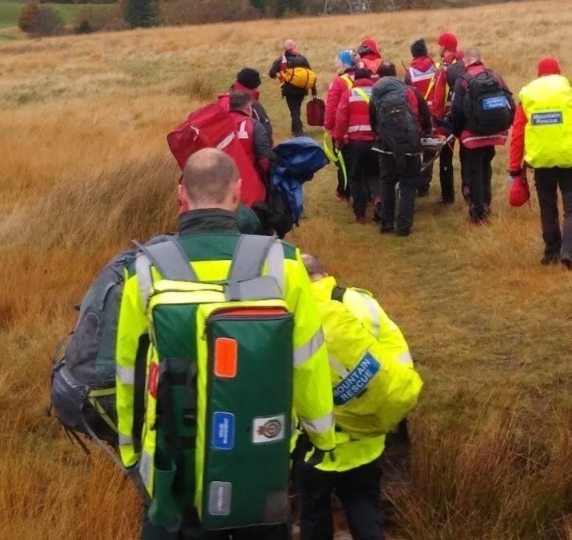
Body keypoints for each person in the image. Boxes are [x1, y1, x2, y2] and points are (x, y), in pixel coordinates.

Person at [108, 148, 336, 538]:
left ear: (181, 194)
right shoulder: (284, 264)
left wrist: (131, 451)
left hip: (172, 467)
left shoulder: (144, 271)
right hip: (259, 456)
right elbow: (307, 362)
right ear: (238, 193)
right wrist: (321, 437)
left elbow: (128, 373)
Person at [298, 253, 418, 540]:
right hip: (366, 437)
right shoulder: (359, 302)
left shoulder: (292, 314)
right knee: (364, 505)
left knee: (314, 513)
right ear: (325, 274)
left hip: (315, 444)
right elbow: (400, 357)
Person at [508, 57, 572, 271]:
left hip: (541, 161)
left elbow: (517, 136)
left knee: (547, 205)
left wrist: (515, 169)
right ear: (558, 73)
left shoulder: (528, 96)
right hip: (570, 159)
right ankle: (569, 252)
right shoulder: (570, 93)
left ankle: (551, 252)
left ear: (539, 74)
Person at [451, 48, 514, 224]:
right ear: (480, 60)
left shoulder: (462, 80)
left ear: (466, 61)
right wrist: (504, 125)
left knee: (474, 172)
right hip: (493, 133)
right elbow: (510, 102)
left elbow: (456, 110)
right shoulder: (495, 77)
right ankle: (487, 204)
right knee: (486, 167)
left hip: (471, 136)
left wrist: (457, 132)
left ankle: (478, 213)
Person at [369, 62, 433, 237]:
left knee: (387, 183)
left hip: (385, 148)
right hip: (410, 146)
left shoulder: (376, 96)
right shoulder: (411, 91)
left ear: (380, 77)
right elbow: (426, 117)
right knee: (408, 184)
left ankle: (386, 222)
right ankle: (403, 226)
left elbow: (373, 123)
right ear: (396, 74)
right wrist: (425, 134)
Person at [333, 68, 380, 224]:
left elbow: (340, 120)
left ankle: (360, 214)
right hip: (375, 141)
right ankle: (378, 198)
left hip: (355, 144)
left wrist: (338, 139)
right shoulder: (378, 94)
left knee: (356, 177)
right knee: (375, 174)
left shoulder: (348, 95)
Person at [428, 32, 461, 204]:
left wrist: (436, 120)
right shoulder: (463, 65)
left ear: (445, 47)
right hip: (464, 116)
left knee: (445, 157)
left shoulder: (444, 68)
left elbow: (438, 99)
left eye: (440, 44)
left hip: (447, 119)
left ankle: (448, 196)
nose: (438, 47)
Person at [404, 38, 438, 197]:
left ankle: (417, 180)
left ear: (413, 54)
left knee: (416, 150)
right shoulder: (437, 68)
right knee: (431, 150)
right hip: (436, 117)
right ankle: (425, 182)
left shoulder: (409, 73)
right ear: (426, 52)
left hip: (417, 118)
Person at [325, 50, 358, 201]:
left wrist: (328, 126)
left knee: (343, 163)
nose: (335, 65)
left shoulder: (338, 82)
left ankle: (345, 191)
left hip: (343, 129)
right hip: (362, 129)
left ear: (344, 64)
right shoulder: (363, 76)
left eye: (337, 62)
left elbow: (331, 107)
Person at [270, 39, 313, 137]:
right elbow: (310, 72)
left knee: (294, 110)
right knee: (296, 109)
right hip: (302, 88)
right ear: (295, 47)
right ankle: (296, 129)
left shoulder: (282, 59)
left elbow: (271, 73)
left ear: (285, 48)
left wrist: (280, 76)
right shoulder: (302, 58)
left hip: (288, 89)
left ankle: (298, 131)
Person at [218, 67, 273, 138]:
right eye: (257, 86)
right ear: (253, 86)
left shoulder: (223, 99)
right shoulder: (252, 104)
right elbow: (265, 131)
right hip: (248, 145)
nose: (259, 89)